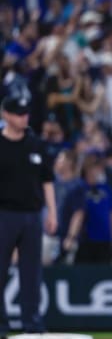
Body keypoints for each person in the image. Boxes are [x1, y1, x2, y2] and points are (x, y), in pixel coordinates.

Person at [0, 92, 57, 337]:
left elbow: (47, 180)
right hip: (4, 214)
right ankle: (1, 325)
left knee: (31, 272)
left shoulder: (35, 144)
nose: (25, 118)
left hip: (33, 215)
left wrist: (52, 212)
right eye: (19, 114)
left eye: (26, 113)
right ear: (6, 115)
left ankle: (32, 324)